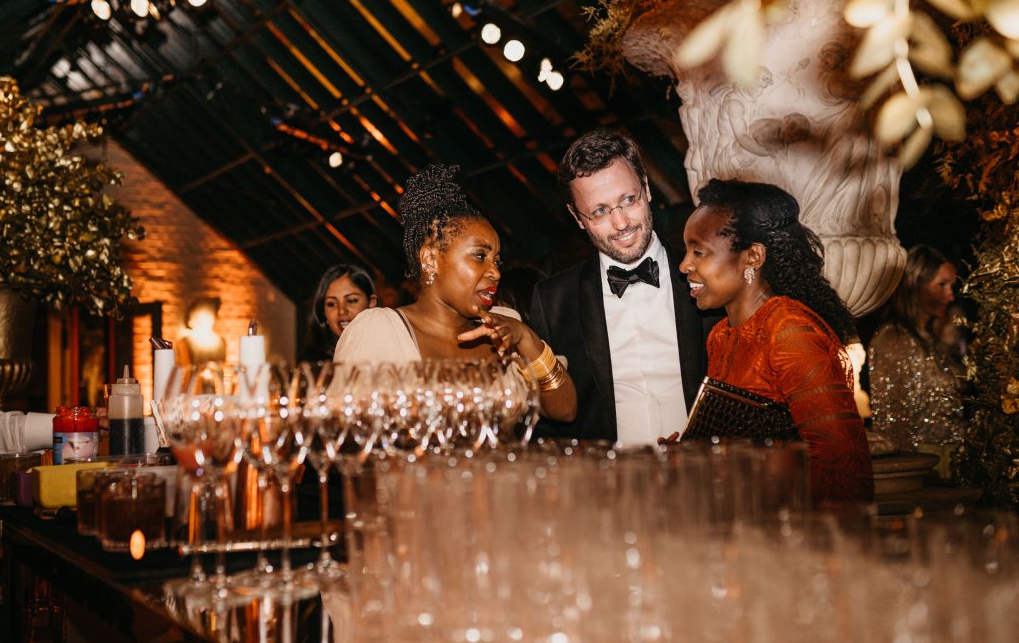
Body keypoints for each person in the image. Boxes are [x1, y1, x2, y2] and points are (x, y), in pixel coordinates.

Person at [678, 178, 873, 503]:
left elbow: (849, 480)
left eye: (699, 251)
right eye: (687, 251)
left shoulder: (789, 331)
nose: (685, 265)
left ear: (753, 257)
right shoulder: (721, 337)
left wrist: (728, 468)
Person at [335, 163, 577, 423]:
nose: (495, 272)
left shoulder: (505, 326)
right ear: (430, 259)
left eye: (497, 261)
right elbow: (347, 434)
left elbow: (565, 411)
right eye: (479, 256)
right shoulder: (380, 330)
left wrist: (527, 339)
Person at [529, 129, 715, 448]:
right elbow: (547, 422)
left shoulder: (710, 278)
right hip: (608, 489)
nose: (621, 223)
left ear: (646, 188)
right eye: (600, 211)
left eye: (629, 200)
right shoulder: (553, 302)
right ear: (577, 217)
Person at [868, 245, 965, 478]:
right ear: (914, 285)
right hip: (925, 467)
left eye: (951, 286)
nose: (950, 296)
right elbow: (893, 420)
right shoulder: (894, 339)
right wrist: (910, 473)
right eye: (941, 285)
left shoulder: (930, 338)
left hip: (949, 462)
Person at [300, 264, 377, 363]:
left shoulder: (389, 349)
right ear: (323, 312)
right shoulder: (312, 365)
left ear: (371, 303)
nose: (341, 311)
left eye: (351, 301)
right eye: (332, 304)